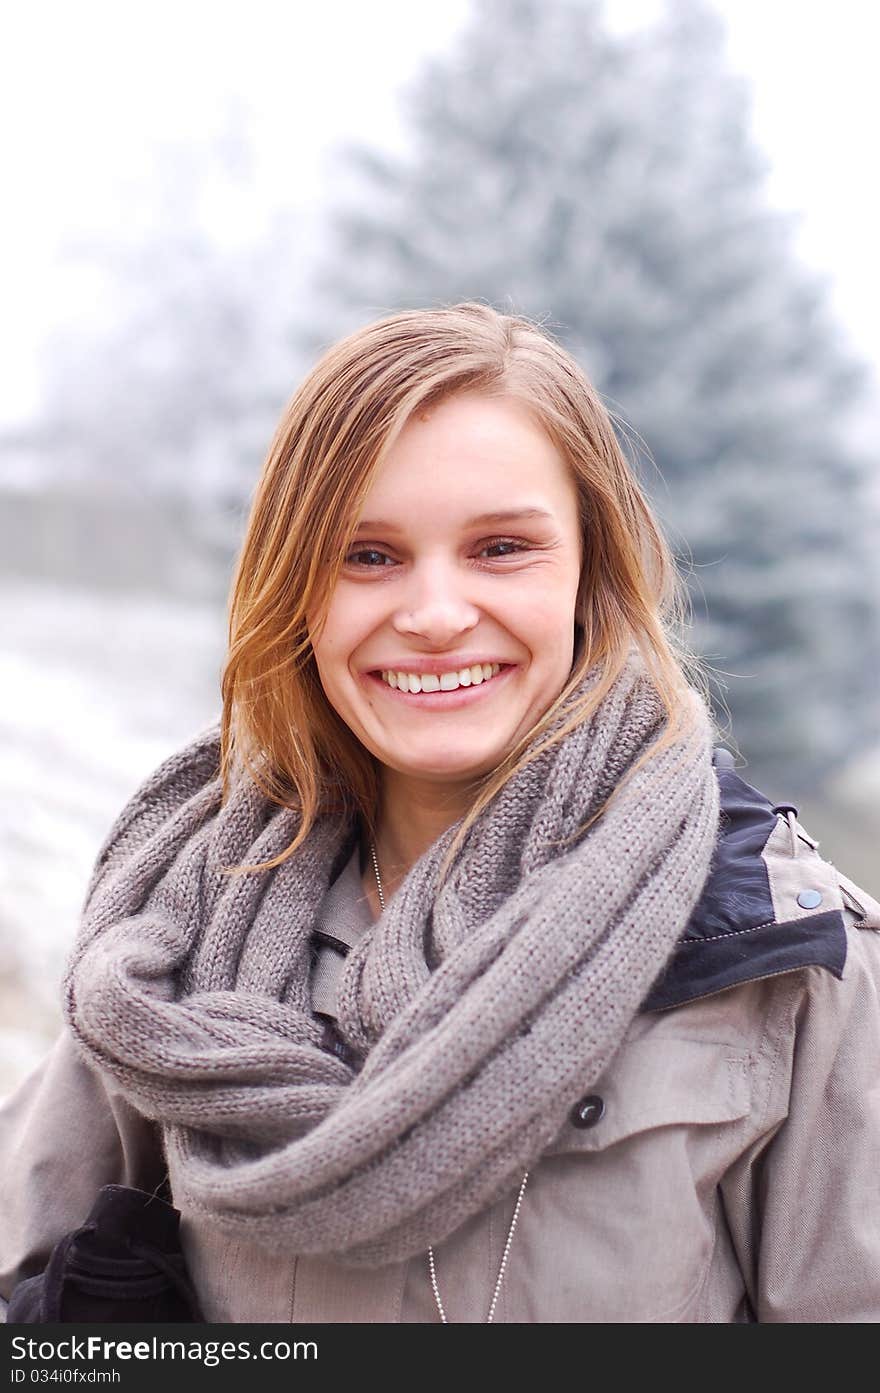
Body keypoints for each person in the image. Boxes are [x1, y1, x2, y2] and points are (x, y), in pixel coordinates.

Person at [2, 302, 879, 1324]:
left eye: (500, 547)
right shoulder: (184, 928)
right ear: (295, 588)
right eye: (366, 556)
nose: (432, 615)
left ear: (591, 570)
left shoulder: (781, 951)